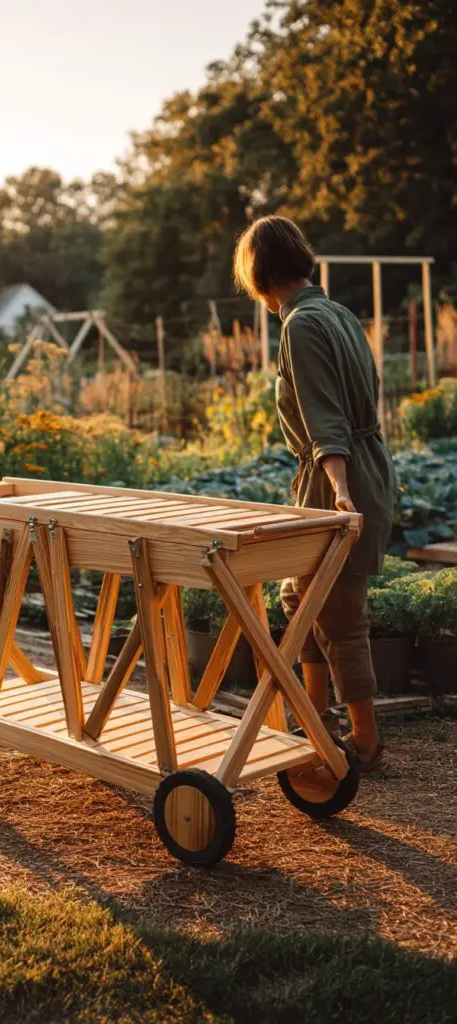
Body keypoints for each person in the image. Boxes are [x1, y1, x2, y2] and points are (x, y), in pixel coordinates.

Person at [233, 215, 397, 769]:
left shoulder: (300, 325)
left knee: (339, 615)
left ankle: (365, 743)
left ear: (257, 273)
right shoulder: (339, 313)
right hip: (359, 466)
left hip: (338, 477)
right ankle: (316, 718)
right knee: (298, 598)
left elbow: (325, 419)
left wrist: (341, 492)